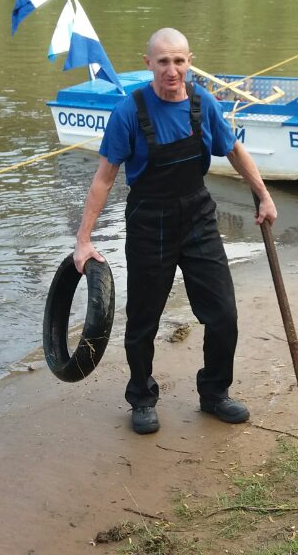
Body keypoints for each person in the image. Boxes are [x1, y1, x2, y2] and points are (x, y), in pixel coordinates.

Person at [73, 28, 278, 435]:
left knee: (223, 314)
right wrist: (83, 241)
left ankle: (214, 393)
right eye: (163, 61)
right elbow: (104, 177)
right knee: (143, 319)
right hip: (150, 220)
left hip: (198, 216)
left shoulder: (204, 104)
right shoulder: (129, 112)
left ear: (190, 62)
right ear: (148, 63)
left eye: (179, 61)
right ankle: (142, 398)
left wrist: (263, 195)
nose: (172, 70)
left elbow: (234, 150)